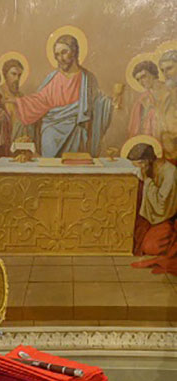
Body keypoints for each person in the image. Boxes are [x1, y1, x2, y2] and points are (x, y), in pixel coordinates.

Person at [13, 34, 118, 157]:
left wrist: (110, 102)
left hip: (76, 131)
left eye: (64, 52)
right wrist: (19, 102)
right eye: (57, 54)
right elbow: (40, 100)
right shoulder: (53, 78)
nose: (60, 58)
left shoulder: (87, 78)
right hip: (51, 132)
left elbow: (97, 102)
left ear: (74, 52)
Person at [127, 144, 177, 275]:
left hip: (165, 218)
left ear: (146, 162)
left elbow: (163, 206)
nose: (137, 168)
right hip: (150, 216)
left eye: (138, 164)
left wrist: (148, 182)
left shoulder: (170, 173)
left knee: (150, 247)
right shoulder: (149, 169)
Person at [128, 60, 166, 138]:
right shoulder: (141, 100)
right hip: (151, 140)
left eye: (143, 76)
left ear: (153, 74)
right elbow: (135, 127)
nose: (141, 82)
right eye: (138, 79)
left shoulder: (171, 91)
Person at [0, 58, 30, 141]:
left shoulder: (20, 96)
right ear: (5, 75)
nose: (17, 79)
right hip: (5, 138)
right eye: (13, 74)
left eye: (19, 75)